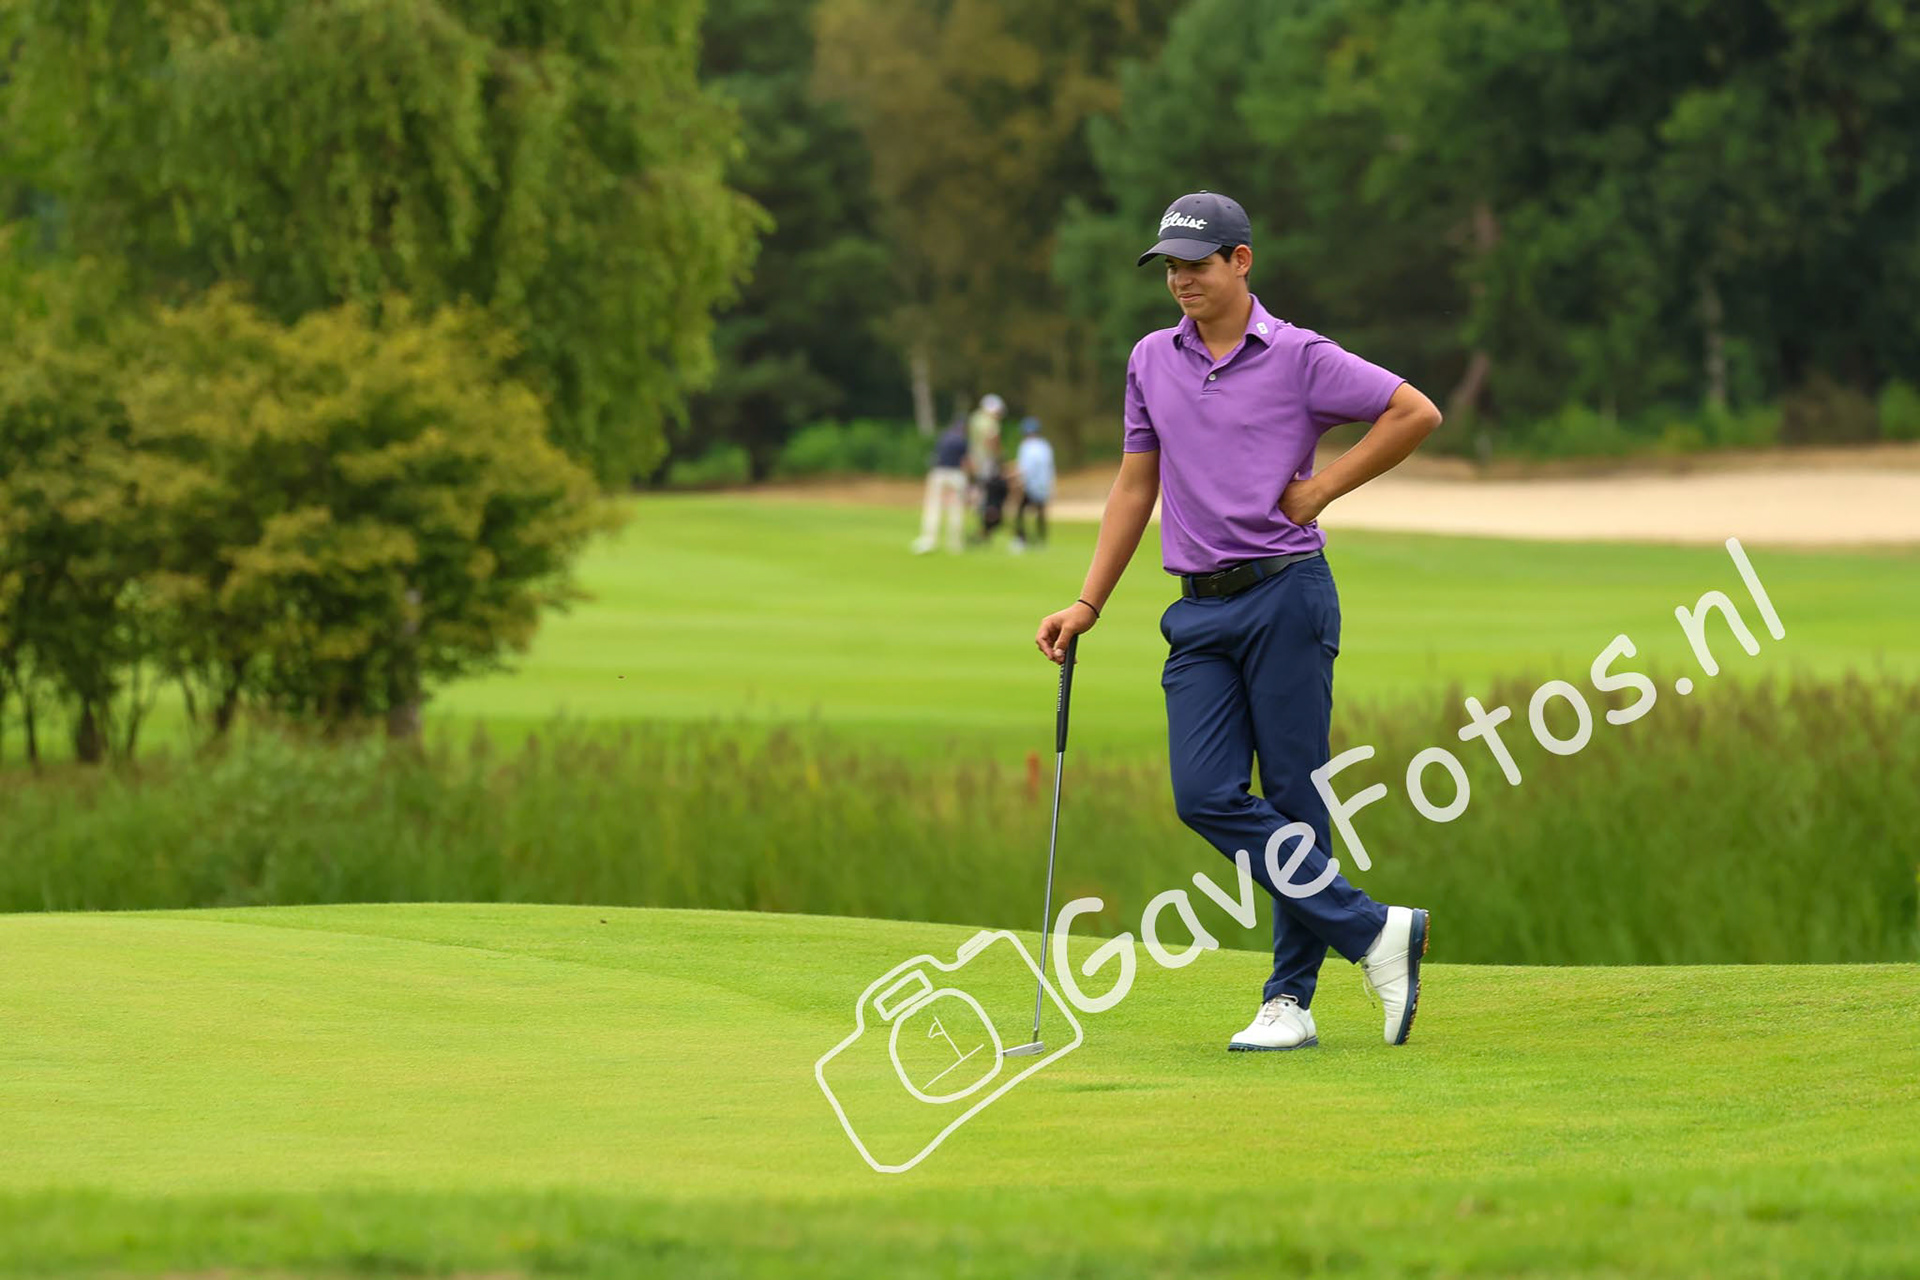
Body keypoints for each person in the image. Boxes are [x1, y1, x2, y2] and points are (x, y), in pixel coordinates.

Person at [1032, 191, 1444, 1052]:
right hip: (1197, 612)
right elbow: (1135, 485)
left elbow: (1414, 412)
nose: (1181, 280)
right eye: (1170, 268)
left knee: (1294, 797)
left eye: (1197, 263)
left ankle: (1289, 1000)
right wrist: (1088, 602)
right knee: (1205, 795)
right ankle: (1373, 930)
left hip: (1287, 594)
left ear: (1240, 260)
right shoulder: (1151, 359)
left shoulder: (1299, 356)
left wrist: (1321, 489)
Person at [912, 417, 970, 554]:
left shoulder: (944, 437)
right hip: (956, 474)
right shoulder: (963, 440)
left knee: (933, 507)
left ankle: (929, 539)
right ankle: (955, 543)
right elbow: (965, 461)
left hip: (939, 473)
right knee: (956, 509)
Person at [966, 394, 1007, 546]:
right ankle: (986, 530)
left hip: (975, 463)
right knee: (992, 497)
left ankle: (983, 529)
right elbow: (992, 441)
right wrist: (1000, 458)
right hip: (987, 464)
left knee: (981, 496)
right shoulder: (990, 422)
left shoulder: (975, 419)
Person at [1010, 416, 1053, 553]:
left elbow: (1024, 469)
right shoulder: (1045, 446)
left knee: (1020, 512)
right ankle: (1041, 540)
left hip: (1029, 485)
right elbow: (1050, 467)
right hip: (1043, 485)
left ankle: (1021, 539)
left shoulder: (1025, 446)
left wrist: (1016, 482)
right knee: (1041, 513)